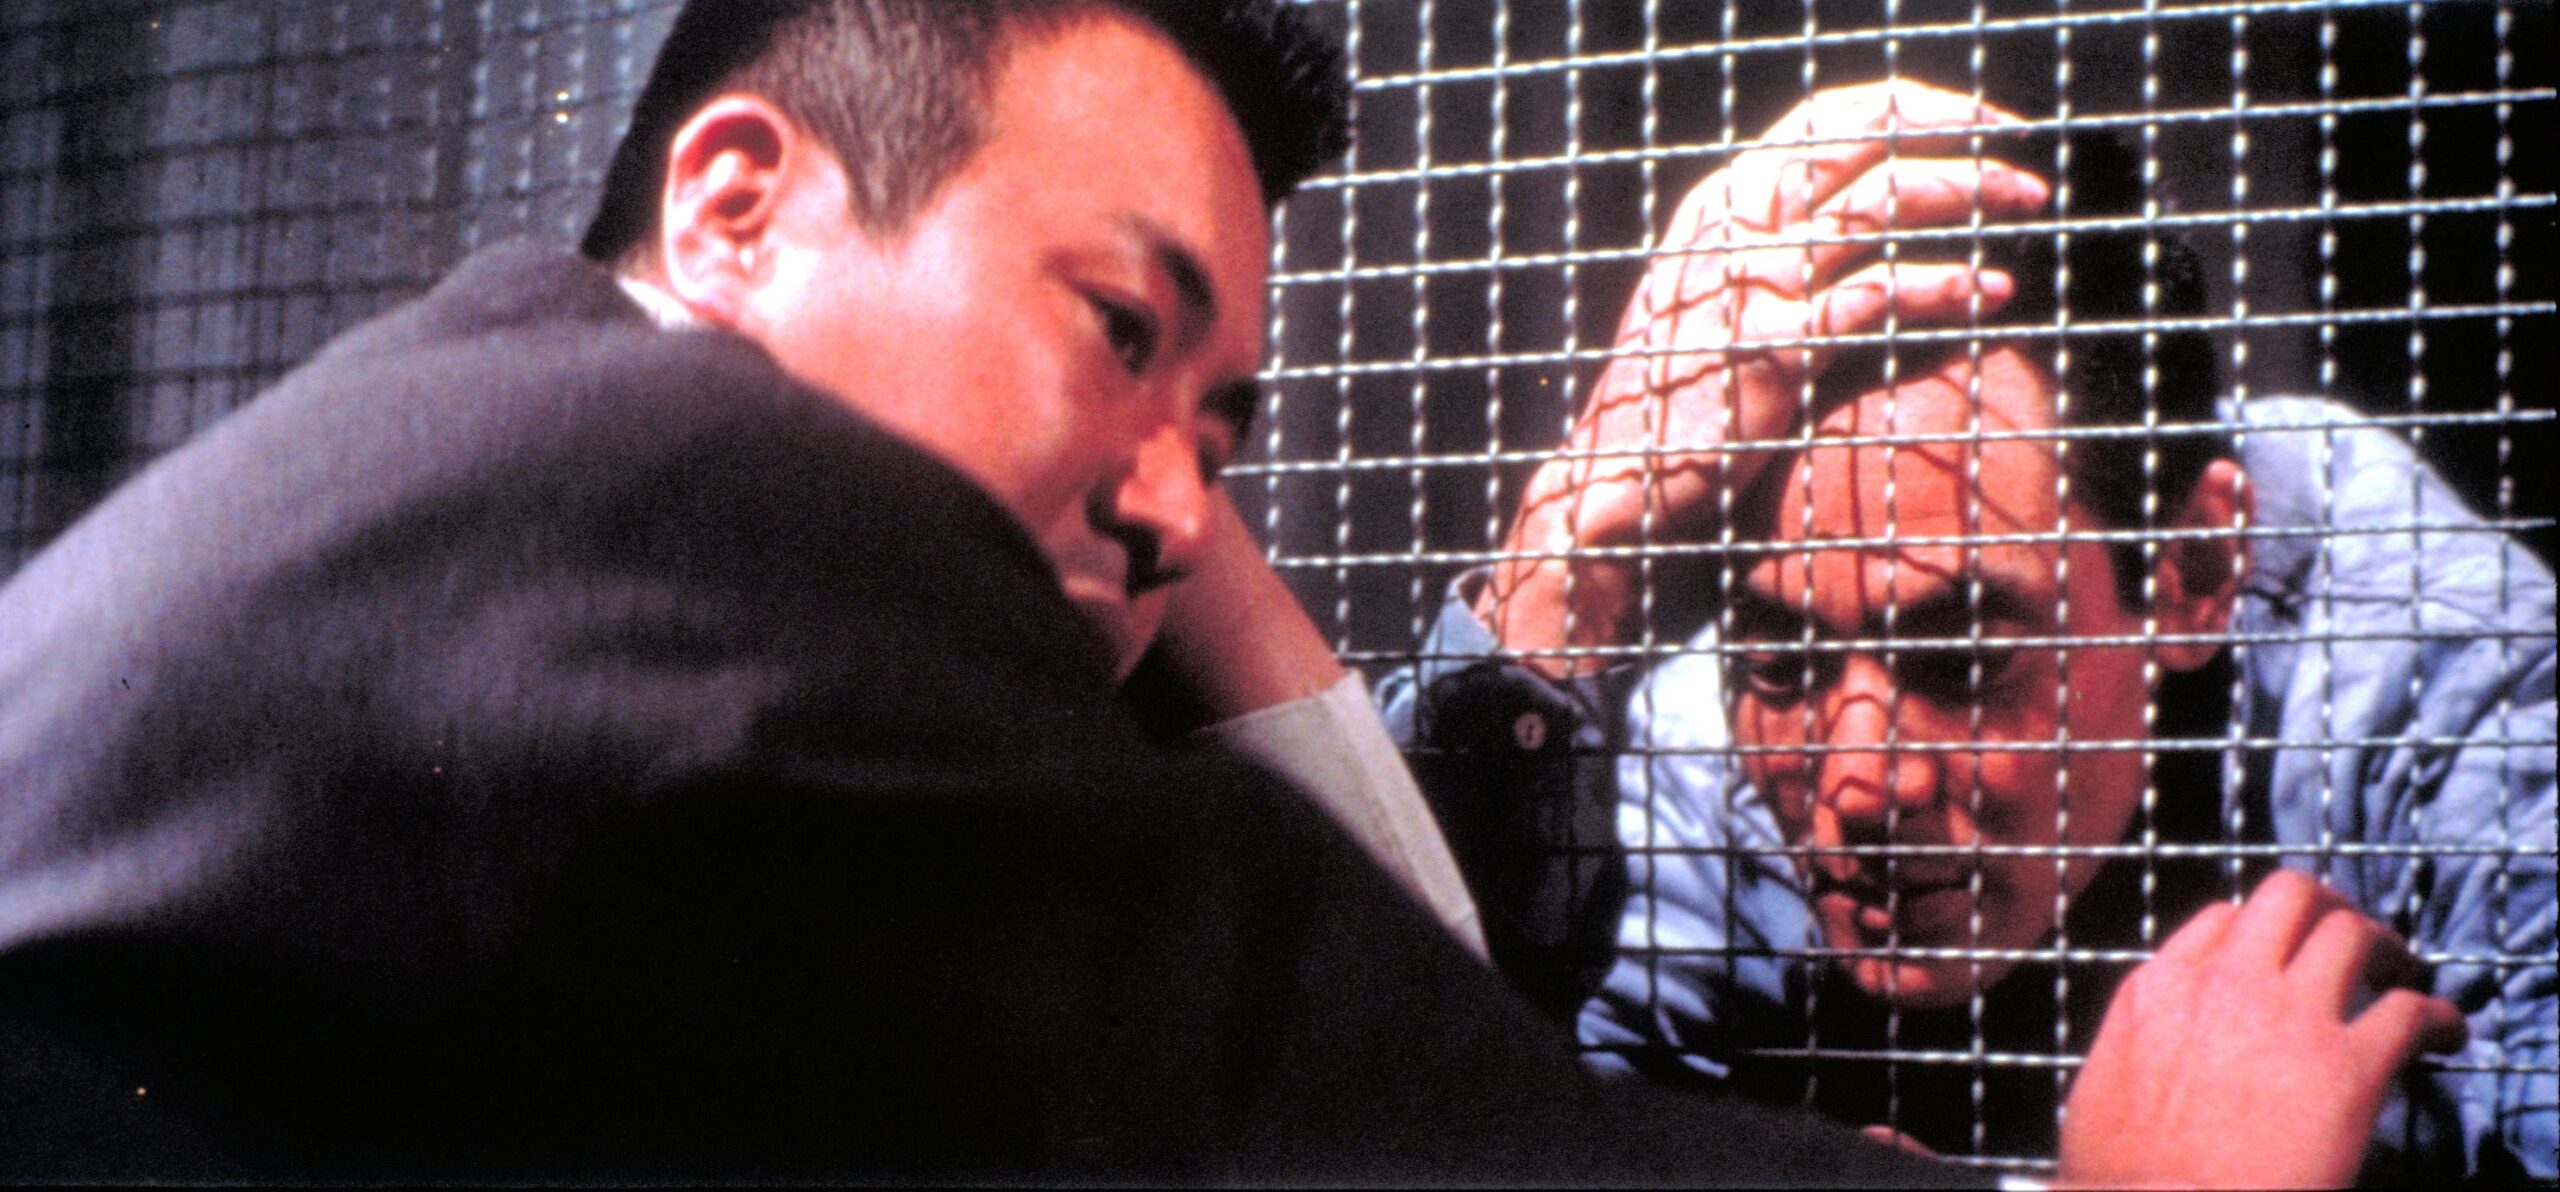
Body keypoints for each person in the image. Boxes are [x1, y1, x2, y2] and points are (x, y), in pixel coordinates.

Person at [0, 4, 2461, 1182]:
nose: (1191, 512)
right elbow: (1358, 1109)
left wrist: (1118, 441)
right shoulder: (649, 527)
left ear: (2191, 576)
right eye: (1114, 317)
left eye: (1230, 421)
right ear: (733, 208)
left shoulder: (476, 453)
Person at [1382, 80, 2555, 1178]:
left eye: (1959, 658)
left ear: (2192, 573)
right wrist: (1561, 563)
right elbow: (1439, 1116)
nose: (1855, 782)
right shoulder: (1707, 731)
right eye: (1779, 656)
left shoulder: (2442, 663)